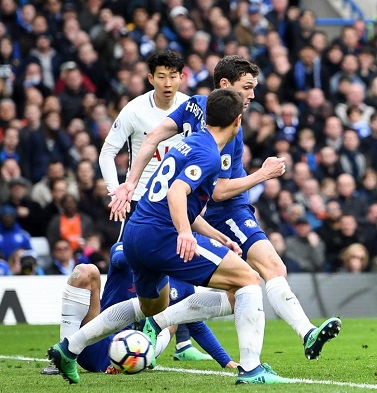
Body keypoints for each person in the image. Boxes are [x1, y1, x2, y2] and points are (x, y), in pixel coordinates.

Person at [48, 89, 290, 385]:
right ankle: (251, 370)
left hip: (137, 233)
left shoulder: (189, 143)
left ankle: (68, 348)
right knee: (249, 280)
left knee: (152, 306)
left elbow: (175, 196)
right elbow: (177, 192)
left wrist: (216, 236)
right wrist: (185, 233)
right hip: (163, 236)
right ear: (237, 121)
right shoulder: (210, 154)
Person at [108, 55, 341, 361]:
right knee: (260, 275)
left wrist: (130, 183)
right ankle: (296, 338)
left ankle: (158, 323)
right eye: (247, 87)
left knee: (249, 284)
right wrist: (262, 174)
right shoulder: (228, 126)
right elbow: (218, 192)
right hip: (222, 211)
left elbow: (151, 137)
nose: (253, 95)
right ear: (225, 85)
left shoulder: (194, 104)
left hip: (196, 210)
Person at [97, 49, 210, 364]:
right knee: (132, 269)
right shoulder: (134, 110)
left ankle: (183, 342)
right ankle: (116, 335)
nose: (168, 82)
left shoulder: (192, 110)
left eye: (173, 76)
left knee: (183, 263)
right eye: (161, 75)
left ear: (181, 77)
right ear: (150, 78)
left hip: (176, 202)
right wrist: (116, 191)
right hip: (139, 205)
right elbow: (107, 153)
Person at [42, 242, 236, 376]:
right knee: (85, 271)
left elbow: (197, 325)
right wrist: (149, 256)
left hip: (133, 355)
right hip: (95, 343)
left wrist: (225, 361)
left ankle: (146, 350)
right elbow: (118, 259)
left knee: (173, 320)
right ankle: (62, 356)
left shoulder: (183, 283)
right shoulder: (128, 248)